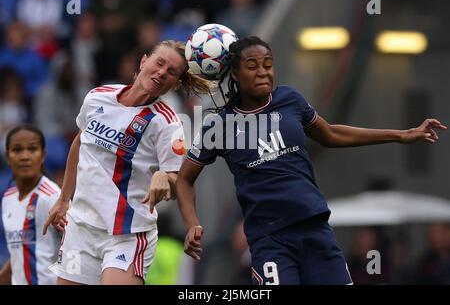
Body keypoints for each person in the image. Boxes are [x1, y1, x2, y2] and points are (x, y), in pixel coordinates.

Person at [176, 36, 448, 285]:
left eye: (268, 64)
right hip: (270, 241)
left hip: (314, 228)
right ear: (234, 73)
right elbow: (185, 180)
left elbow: (331, 134)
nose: (263, 72)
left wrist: (401, 135)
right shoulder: (219, 126)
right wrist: (192, 224)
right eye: (253, 66)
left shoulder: (290, 100)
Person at [43, 40, 210, 285]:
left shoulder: (167, 123)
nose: (162, 72)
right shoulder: (98, 96)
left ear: (175, 83)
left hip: (127, 235)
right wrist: (64, 198)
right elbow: (80, 143)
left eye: (172, 72)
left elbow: (179, 181)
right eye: (159, 62)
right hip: (81, 227)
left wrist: (166, 177)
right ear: (144, 61)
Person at [0, 124, 61, 285]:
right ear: (8, 156)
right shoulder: (8, 197)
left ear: (43, 155)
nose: (25, 156)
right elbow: (18, 253)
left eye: (32, 149)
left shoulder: (53, 197)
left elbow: (77, 250)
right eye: (17, 150)